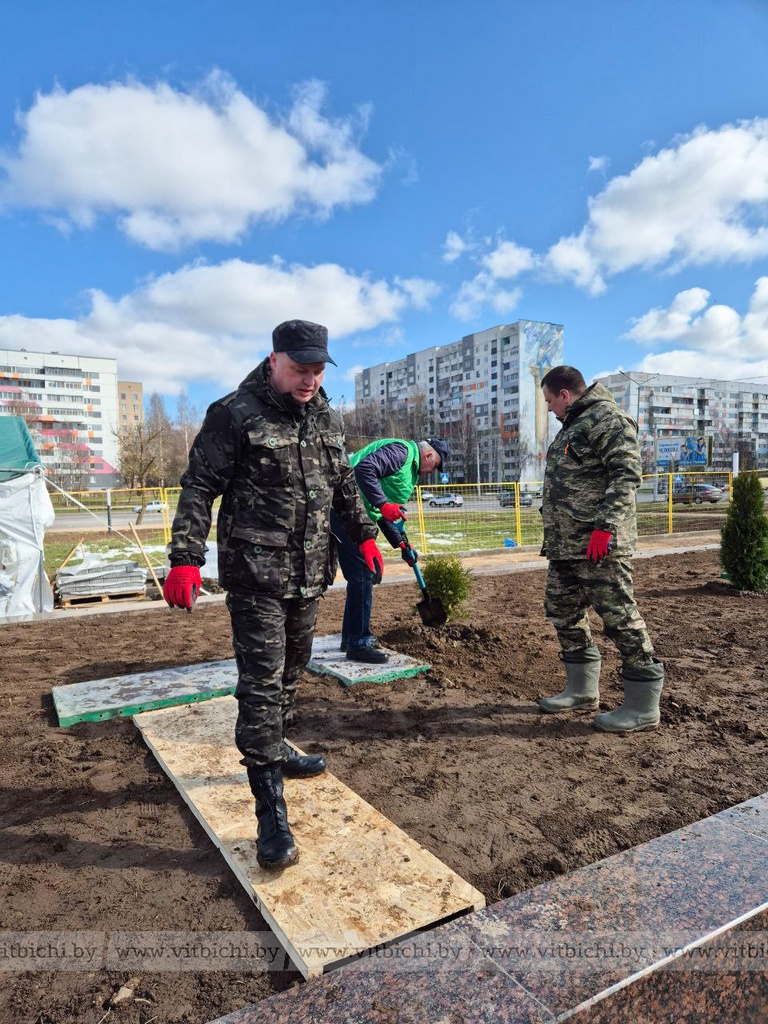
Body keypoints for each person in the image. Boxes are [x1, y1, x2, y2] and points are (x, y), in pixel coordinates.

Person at [162, 320, 385, 870]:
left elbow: (343, 483)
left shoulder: (325, 416)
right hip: (255, 576)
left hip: (311, 573)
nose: (309, 380)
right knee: (261, 685)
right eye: (300, 369)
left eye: (316, 370)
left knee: (292, 671)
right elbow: (198, 487)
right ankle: (270, 811)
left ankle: (277, 748)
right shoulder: (234, 414)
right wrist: (186, 558)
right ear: (273, 360)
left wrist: (363, 535)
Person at [537, 365, 664, 733]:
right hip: (566, 545)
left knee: (620, 617)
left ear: (564, 394)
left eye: (549, 400)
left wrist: (605, 529)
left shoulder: (608, 420)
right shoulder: (574, 425)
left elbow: (625, 475)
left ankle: (643, 708)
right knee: (562, 610)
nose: (548, 409)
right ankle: (581, 691)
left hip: (599, 545)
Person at [329, 437, 450, 664]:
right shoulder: (401, 452)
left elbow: (387, 516)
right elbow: (364, 470)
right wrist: (384, 504)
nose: (432, 471)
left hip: (355, 515)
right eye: (435, 466)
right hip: (344, 510)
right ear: (429, 455)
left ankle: (351, 638)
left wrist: (402, 545)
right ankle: (358, 643)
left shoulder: (409, 471)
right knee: (364, 575)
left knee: (361, 576)